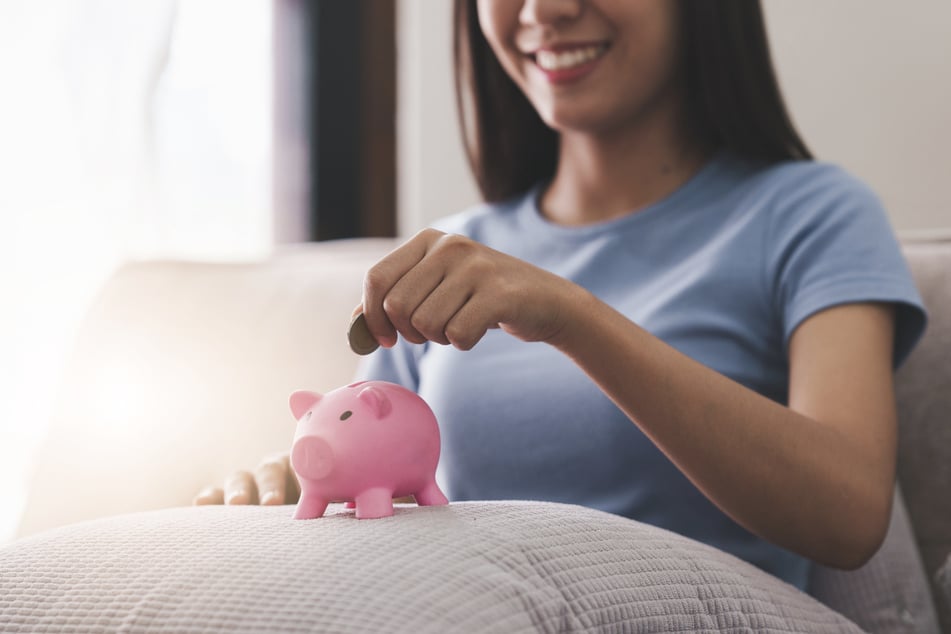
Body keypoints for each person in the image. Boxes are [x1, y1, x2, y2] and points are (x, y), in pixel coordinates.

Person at [196, 0, 926, 591]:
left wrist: (571, 317)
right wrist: (289, 476)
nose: (544, 10)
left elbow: (848, 514)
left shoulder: (810, 212)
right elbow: (379, 461)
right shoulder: (451, 254)